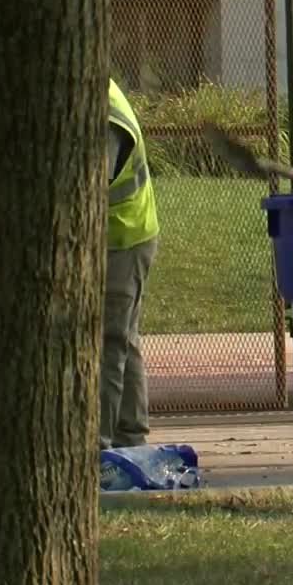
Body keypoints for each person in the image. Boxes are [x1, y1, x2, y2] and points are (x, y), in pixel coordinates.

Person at [100, 79, 160, 450]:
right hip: (130, 232)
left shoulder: (102, 113)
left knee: (107, 342)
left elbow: (88, 183)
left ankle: (98, 447)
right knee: (122, 338)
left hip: (121, 237)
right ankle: (131, 439)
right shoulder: (99, 92)